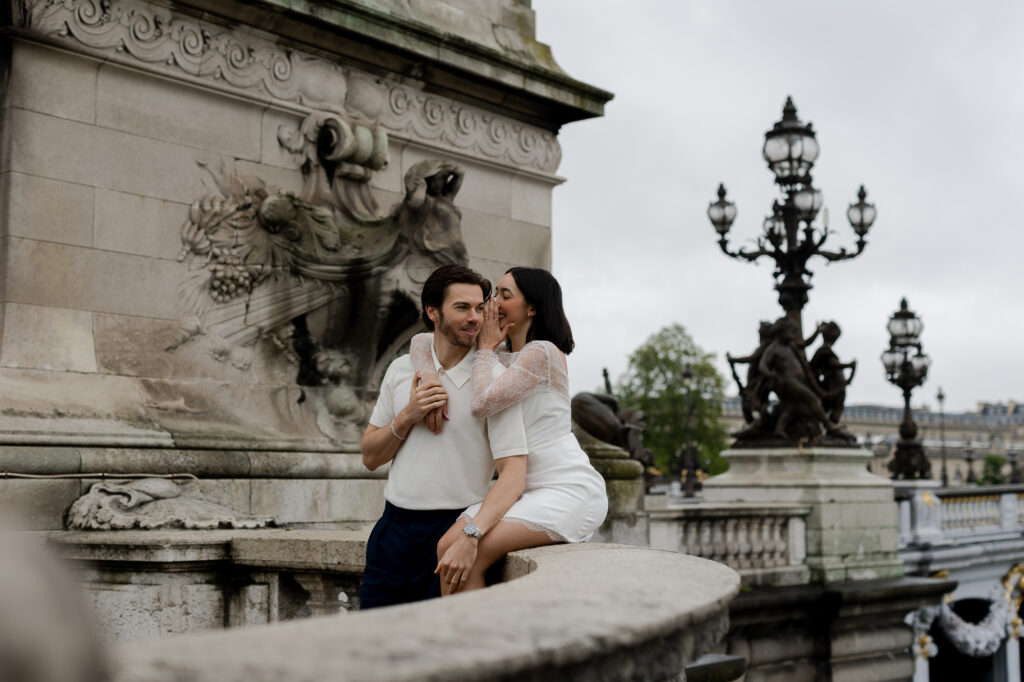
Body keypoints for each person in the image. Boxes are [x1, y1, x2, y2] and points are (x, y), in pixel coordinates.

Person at [410, 266, 608, 595]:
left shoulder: (542, 353)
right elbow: (421, 341)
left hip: (566, 488)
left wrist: (485, 351)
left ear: (532, 307)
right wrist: (430, 377)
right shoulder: (498, 355)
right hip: (518, 491)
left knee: (469, 556)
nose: (493, 303)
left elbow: (483, 402)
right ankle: (461, 640)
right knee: (446, 546)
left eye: (505, 295)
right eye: (494, 293)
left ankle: (482, 645)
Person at [358, 264, 528, 610]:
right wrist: (408, 415)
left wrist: (471, 533)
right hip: (391, 531)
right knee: (375, 649)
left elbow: (513, 474)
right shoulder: (401, 369)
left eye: (480, 308)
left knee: (442, 652)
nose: (475, 318)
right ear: (432, 312)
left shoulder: (495, 378)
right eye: (462, 308)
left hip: (450, 532)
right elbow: (370, 457)